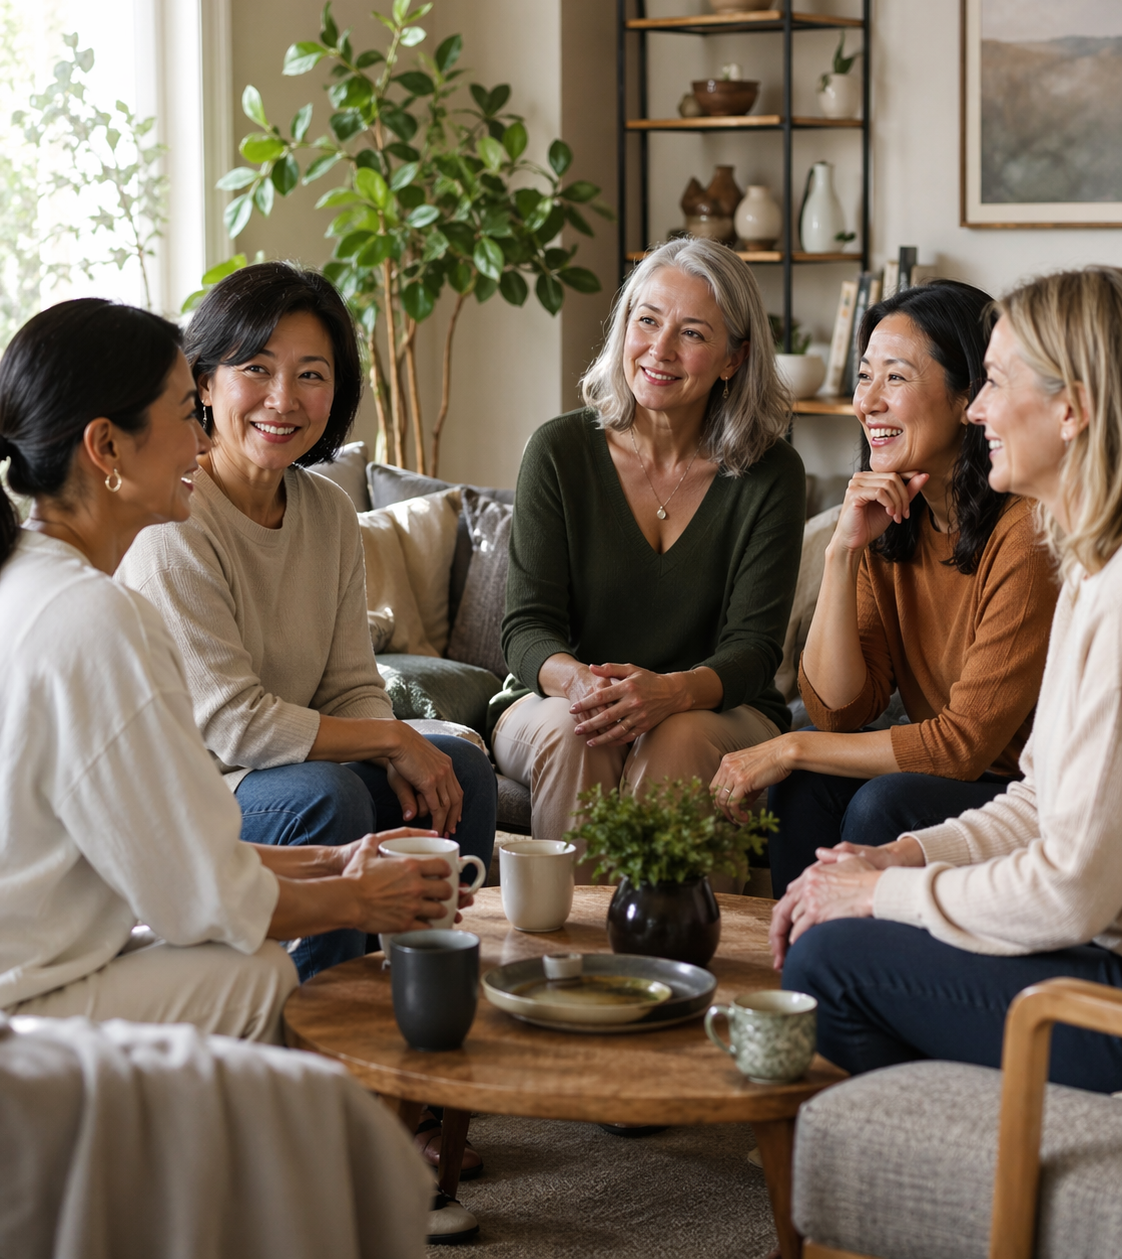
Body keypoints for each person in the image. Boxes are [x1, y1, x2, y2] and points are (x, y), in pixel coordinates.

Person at [0, 299, 468, 1046]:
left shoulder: (32, 580)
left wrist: (332, 863)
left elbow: (171, 854)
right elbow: (194, 893)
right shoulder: (95, 618)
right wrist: (356, 899)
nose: (199, 440)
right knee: (256, 975)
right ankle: (334, 1112)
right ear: (106, 447)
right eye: (189, 413)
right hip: (27, 1006)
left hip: (54, 960)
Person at [773, 265, 1122, 1094]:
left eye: (993, 383)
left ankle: (977, 1169)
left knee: (833, 962)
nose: (977, 411)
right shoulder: (1092, 569)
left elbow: (1069, 888)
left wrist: (886, 893)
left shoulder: (1098, 584)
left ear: (1071, 410)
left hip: (1100, 982)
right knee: (850, 857)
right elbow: (1039, 803)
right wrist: (891, 860)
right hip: (1083, 938)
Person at [118, 263, 496, 984]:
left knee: (465, 772)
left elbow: (352, 682)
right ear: (203, 382)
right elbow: (235, 728)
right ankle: (325, 1032)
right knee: (329, 795)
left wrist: (398, 744)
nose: (283, 399)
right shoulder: (176, 518)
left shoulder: (326, 512)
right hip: (204, 791)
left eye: (311, 375)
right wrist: (389, 739)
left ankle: (425, 998)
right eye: (255, 369)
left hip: (296, 772)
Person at [710, 281, 1059, 897]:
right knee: (804, 785)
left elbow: (961, 747)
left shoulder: (1026, 535)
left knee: (879, 803)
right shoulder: (893, 519)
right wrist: (843, 552)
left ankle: (853, 962)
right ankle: (798, 963)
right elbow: (840, 709)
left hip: (1028, 797)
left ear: (968, 398)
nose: (866, 402)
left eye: (894, 379)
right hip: (953, 774)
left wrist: (789, 746)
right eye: (864, 376)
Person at [490, 237, 805, 865]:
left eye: (691, 333)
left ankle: (673, 947)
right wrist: (582, 685)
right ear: (623, 327)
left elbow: (754, 648)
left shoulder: (772, 473)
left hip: (719, 707)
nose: (659, 350)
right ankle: (573, 952)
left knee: (678, 738)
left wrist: (671, 693)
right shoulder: (558, 451)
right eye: (647, 320)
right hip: (557, 699)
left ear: (732, 359)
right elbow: (526, 628)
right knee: (577, 731)